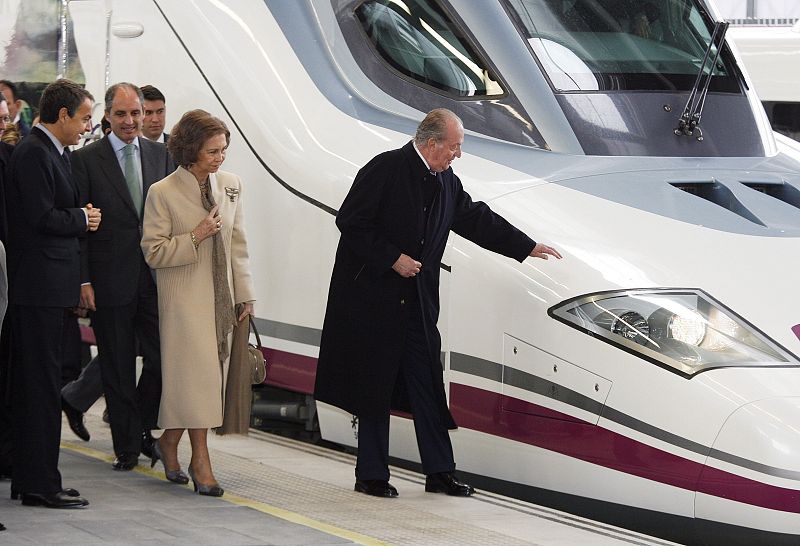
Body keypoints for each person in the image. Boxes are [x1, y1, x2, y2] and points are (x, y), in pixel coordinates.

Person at [315, 109, 562, 498]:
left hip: (417, 303)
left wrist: (525, 245)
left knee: (428, 384)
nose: (457, 155)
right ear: (431, 144)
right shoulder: (385, 168)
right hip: (374, 303)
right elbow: (351, 221)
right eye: (455, 147)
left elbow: (475, 218)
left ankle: (440, 472)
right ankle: (372, 474)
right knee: (374, 387)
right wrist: (392, 257)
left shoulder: (445, 180)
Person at [141, 109, 255, 495]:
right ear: (190, 150)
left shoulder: (232, 185)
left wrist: (246, 296)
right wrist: (196, 235)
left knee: (203, 384)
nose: (220, 158)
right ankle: (200, 462)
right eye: (212, 151)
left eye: (223, 150)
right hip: (183, 302)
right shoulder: (163, 192)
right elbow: (153, 252)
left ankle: (169, 442)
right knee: (198, 383)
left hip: (222, 302)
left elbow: (238, 245)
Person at [4, 78, 100, 508]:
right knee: (40, 388)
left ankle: (35, 477)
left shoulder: (51, 151)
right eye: (82, 119)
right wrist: (81, 218)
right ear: (61, 115)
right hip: (38, 288)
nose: (86, 127)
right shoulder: (33, 153)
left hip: (48, 288)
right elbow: (38, 217)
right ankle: (40, 483)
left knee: (42, 386)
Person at [74, 82, 172, 471]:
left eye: (137, 113)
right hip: (108, 281)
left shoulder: (161, 154)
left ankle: (145, 428)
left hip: (154, 280)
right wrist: (82, 281)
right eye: (122, 114)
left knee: (163, 360)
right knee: (115, 367)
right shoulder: (85, 160)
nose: (131, 121)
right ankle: (127, 447)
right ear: (108, 117)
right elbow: (80, 228)